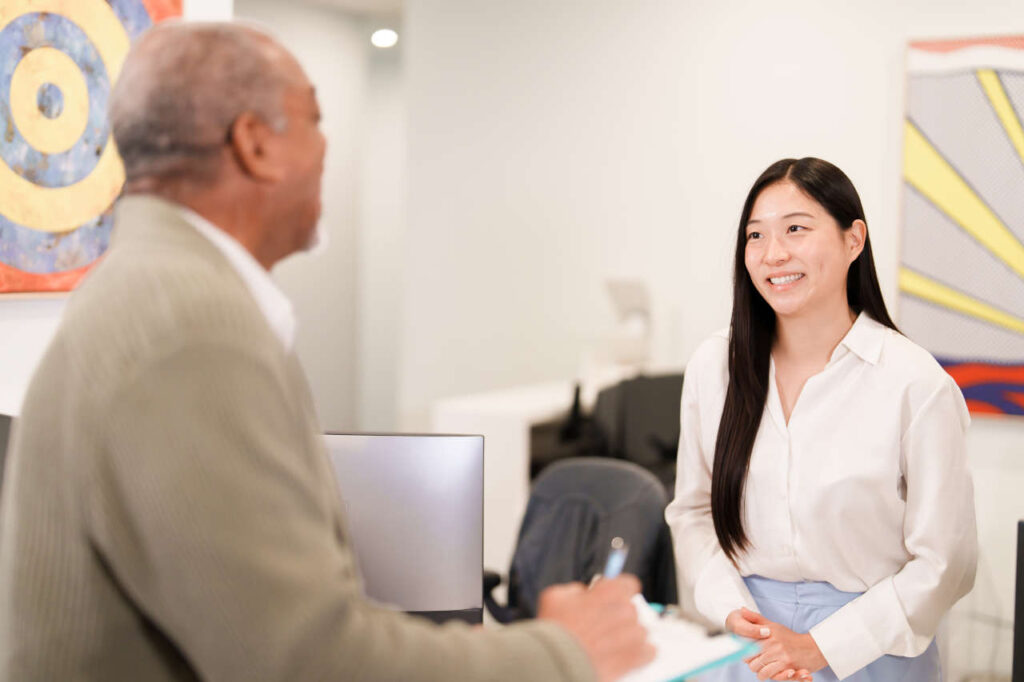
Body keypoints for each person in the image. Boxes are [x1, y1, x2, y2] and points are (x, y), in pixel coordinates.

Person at [0, 21, 653, 682]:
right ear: (255, 144)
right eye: (314, 118)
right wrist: (565, 652)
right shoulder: (188, 325)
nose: (327, 147)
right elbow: (308, 661)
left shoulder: (145, 287)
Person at [666, 158, 977, 681]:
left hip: (873, 648)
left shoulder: (914, 382)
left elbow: (947, 563)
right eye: (755, 235)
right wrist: (733, 613)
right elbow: (693, 512)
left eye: (795, 229)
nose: (773, 254)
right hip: (749, 645)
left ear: (853, 240)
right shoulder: (714, 367)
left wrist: (819, 646)